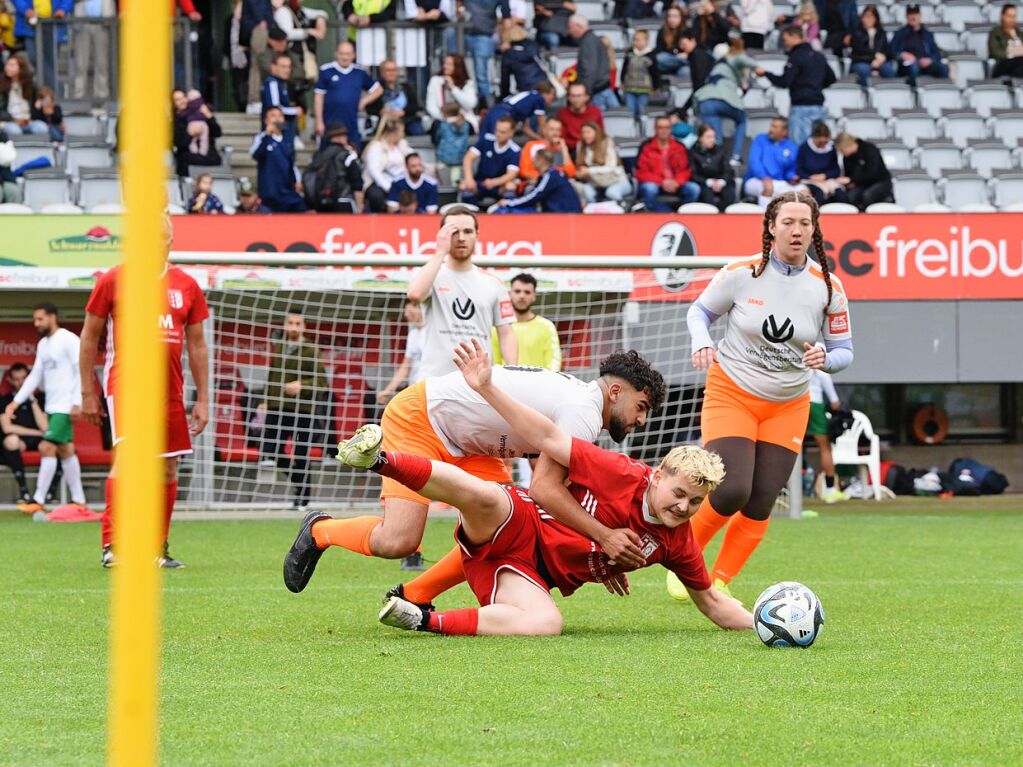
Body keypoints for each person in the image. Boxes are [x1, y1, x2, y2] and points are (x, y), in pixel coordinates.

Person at [332, 340, 750, 637]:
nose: (684, 505)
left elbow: (712, 603)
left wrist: (764, 622)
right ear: (657, 474)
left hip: (528, 566)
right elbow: (546, 477)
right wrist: (486, 386)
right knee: (473, 502)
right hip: (445, 437)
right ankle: (378, 459)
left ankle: (418, 614)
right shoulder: (610, 454)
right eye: (641, 408)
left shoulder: (676, 542)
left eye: (696, 501)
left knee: (547, 624)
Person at [285, 341, 667, 611]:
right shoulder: (584, 412)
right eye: (642, 406)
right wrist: (604, 538)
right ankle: (321, 529)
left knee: (501, 531)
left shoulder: (582, 404)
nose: (641, 420)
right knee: (398, 540)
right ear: (616, 391)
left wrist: (603, 550)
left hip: (472, 446)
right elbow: (546, 490)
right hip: (421, 418)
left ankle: (415, 594)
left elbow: (559, 490)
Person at [665, 190, 853, 604]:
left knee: (763, 496)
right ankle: (684, 560)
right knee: (732, 489)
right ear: (771, 227)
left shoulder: (828, 287)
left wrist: (827, 357)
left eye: (805, 223)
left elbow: (845, 350)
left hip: (788, 403)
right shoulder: (741, 272)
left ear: (814, 230)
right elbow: (699, 312)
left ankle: (719, 580)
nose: (797, 230)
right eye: (788, 222)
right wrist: (702, 341)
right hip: (732, 391)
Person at [80, 218, 210, 569]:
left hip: (170, 389)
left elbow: (197, 345)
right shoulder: (113, 279)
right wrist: (87, 393)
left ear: (170, 240)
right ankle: (114, 544)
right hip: (125, 385)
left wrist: (203, 399)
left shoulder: (186, 285)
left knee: (168, 467)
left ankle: (157, 548)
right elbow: (89, 336)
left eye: (160, 237)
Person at [2, 305, 88, 514]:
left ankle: (38, 499)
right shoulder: (43, 345)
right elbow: (35, 377)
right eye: (35, 320)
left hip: (66, 405)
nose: (36, 324)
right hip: (52, 406)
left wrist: (78, 402)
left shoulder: (68, 339)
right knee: (66, 450)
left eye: (40, 319)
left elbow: (81, 369)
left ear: (52, 317)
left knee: (46, 447)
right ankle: (79, 502)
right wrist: (15, 402)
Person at [259, 310, 327, 509]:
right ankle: (300, 483)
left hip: (302, 410)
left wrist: (302, 385)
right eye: (290, 323)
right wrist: (265, 399)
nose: (294, 327)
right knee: (270, 449)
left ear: (304, 326)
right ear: (285, 324)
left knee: (300, 452)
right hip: (277, 407)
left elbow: (322, 383)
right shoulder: (280, 347)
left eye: (298, 323)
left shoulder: (311, 350)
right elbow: (272, 376)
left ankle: (303, 497)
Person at [757, 25, 834, 148]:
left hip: (801, 107)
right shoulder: (819, 56)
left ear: (795, 36)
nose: (785, 43)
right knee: (816, 148)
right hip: (819, 107)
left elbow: (784, 82)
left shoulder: (796, 56)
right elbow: (831, 78)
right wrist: (815, 86)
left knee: (798, 148)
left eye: (786, 39)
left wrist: (766, 73)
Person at [694, 34, 757, 166]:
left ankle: (718, 159)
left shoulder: (714, 67)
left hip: (705, 102)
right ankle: (736, 156)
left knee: (716, 137)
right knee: (741, 120)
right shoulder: (730, 59)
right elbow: (742, 59)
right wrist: (757, 67)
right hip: (724, 99)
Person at [313, 40, 382, 152]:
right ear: (336, 54)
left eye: (348, 54)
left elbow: (378, 90)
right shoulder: (326, 70)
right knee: (327, 154)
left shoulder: (359, 72)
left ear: (353, 55)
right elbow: (318, 96)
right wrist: (319, 121)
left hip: (351, 122)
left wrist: (364, 101)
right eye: (342, 53)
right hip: (330, 121)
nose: (345, 57)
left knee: (353, 152)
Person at [1, 363, 48, 508]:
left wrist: (32, 399)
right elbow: (7, 427)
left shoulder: (41, 398)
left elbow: (45, 427)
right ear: (10, 380)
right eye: (16, 379)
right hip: (20, 440)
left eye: (23, 379)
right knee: (12, 441)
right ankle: (24, 490)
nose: (20, 383)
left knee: (52, 445)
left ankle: (47, 493)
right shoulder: (5, 399)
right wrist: (36, 432)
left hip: (38, 441)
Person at [635, 115, 701, 212]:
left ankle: (680, 214)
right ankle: (667, 214)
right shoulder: (646, 147)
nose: (664, 131)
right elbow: (641, 172)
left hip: (676, 184)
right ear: (655, 129)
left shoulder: (679, 147)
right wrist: (662, 182)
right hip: (655, 183)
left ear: (671, 129)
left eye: (667, 128)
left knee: (694, 189)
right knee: (649, 189)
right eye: (660, 128)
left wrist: (677, 182)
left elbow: (686, 170)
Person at [251, 105, 308, 212]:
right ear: (266, 120)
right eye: (273, 116)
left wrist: (298, 180)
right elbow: (255, 155)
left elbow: (291, 163)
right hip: (270, 193)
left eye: (280, 116)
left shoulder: (287, 140)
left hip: (287, 191)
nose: (277, 118)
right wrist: (267, 136)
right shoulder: (261, 137)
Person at [460, 115, 521, 208]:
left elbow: (511, 174)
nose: (498, 134)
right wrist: (469, 178)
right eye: (497, 130)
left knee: (510, 186)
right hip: (480, 181)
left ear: (511, 133)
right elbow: (468, 157)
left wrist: (494, 182)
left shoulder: (514, 150)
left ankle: (505, 214)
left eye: (503, 132)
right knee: (464, 185)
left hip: (499, 185)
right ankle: (471, 211)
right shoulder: (487, 139)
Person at [302, 123, 364, 213]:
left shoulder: (318, 156)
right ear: (340, 137)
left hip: (321, 203)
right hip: (344, 201)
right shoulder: (347, 156)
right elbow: (357, 183)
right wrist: (359, 206)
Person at [742, 116, 804, 207]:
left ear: (784, 131)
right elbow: (754, 162)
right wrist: (763, 176)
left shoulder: (791, 146)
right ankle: (765, 219)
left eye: (775, 127)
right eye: (771, 126)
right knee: (769, 187)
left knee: (804, 191)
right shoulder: (760, 140)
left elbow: (791, 168)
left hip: (780, 181)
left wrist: (792, 177)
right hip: (756, 180)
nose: (771, 129)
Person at [497, 149, 582, 212]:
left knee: (508, 210)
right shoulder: (552, 174)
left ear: (541, 161)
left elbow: (534, 196)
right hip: (561, 214)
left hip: (564, 216)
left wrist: (508, 203)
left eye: (535, 158)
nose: (532, 161)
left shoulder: (550, 176)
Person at [807, 369, 846, 503]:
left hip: (795, 402)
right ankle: (830, 490)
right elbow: (835, 402)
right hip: (815, 404)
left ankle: (780, 491)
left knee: (788, 444)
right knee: (825, 447)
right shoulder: (819, 365)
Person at [376, 300, 425, 407]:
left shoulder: (435, 332)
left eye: (409, 310)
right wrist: (388, 390)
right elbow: (405, 367)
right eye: (405, 311)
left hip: (431, 390)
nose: (406, 314)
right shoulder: (413, 334)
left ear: (421, 309)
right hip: (415, 390)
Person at [888, 5, 949, 85]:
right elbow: (891, 51)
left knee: (943, 68)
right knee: (913, 67)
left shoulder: (927, 34)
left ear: (920, 15)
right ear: (906, 16)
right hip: (907, 65)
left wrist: (930, 60)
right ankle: (914, 95)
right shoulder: (899, 34)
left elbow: (936, 53)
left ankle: (940, 94)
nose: (913, 17)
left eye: (915, 14)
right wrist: (902, 55)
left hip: (925, 64)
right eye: (910, 14)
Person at [566, 15, 617, 111]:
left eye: (570, 27)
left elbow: (589, 70)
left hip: (597, 92)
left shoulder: (587, 43)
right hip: (604, 88)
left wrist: (586, 94)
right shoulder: (594, 39)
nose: (569, 31)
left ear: (579, 26)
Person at [573, 120, 631, 204]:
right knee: (586, 193)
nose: (585, 135)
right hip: (595, 182)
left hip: (616, 180)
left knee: (611, 193)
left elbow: (611, 167)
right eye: (583, 132)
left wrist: (589, 171)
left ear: (596, 132)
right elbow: (580, 166)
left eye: (588, 132)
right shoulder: (580, 145)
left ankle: (622, 212)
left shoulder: (607, 142)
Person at [362, 119, 412, 213]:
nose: (403, 134)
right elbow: (374, 171)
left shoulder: (402, 145)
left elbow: (412, 157)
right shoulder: (376, 147)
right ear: (394, 132)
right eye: (401, 131)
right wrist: (388, 187)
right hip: (379, 183)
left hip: (400, 181)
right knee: (376, 196)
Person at [833, 131, 892, 211]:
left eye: (842, 150)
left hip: (880, 181)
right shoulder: (846, 158)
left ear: (849, 145)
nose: (841, 153)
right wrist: (849, 182)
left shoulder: (869, 149)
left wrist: (852, 180)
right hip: (861, 184)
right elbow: (849, 174)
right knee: (850, 196)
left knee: (868, 196)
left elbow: (873, 172)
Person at [478, 81, 556, 141]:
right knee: (495, 144)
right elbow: (542, 125)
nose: (553, 99)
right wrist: (548, 139)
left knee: (484, 143)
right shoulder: (539, 99)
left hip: (493, 112)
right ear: (547, 93)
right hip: (503, 115)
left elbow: (525, 128)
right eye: (553, 96)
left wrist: (539, 138)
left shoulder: (528, 97)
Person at [172, 88, 223, 178]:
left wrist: (209, 117)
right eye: (177, 100)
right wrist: (190, 134)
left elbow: (217, 133)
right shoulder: (177, 120)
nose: (182, 101)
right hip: (188, 155)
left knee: (215, 159)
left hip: (208, 154)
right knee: (183, 159)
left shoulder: (200, 113)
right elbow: (178, 143)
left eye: (183, 97)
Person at [463, 0, 506, 105]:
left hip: (484, 35)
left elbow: (505, 14)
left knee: (481, 72)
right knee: (462, 69)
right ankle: (472, 102)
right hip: (464, 32)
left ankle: (487, 105)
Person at [367, 58, 426, 136]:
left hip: (405, 120)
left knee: (417, 130)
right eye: (388, 70)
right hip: (386, 121)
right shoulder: (377, 88)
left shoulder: (405, 87)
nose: (391, 73)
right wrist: (381, 111)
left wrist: (403, 112)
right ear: (382, 72)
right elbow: (369, 108)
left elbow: (415, 106)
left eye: (394, 70)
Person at [425, 54, 479, 134]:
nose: (445, 66)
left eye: (449, 64)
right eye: (445, 63)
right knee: (439, 127)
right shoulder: (435, 80)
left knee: (465, 127)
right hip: (442, 118)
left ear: (457, 67)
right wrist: (445, 118)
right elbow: (431, 106)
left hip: (462, 119)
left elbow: (470, 104)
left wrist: (453, 89)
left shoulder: (467, 83)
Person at [689, 124, 736, 211]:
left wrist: (721, 181)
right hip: (703, 183)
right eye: (708, 137)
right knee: (707, 196)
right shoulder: (693, 152)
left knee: (729, 195)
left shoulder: (721, 150)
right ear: (700, 138)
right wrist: (709, 182)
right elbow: (693, 174)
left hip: (721, 181)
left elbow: (728, 170)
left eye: (713, 136)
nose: (712, 140)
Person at [796, 122, 843, 206]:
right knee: (819, 194)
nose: (822, 145)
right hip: (809, 180)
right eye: (819, 143)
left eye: (825, 142)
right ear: (814, 138)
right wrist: (810, 177)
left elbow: (836, 170)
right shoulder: (804, 148)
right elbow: (799, 169)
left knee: (840, 194)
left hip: (826, 179)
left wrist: (825, 176)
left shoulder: (831, 148)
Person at [0, 53, 47, 136]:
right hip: (8, 121)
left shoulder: (30, 85)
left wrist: (39, 104)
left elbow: (42, 103)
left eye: (12, 65)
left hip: (27, 121)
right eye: (7, 64)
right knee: (14, 131)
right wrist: (14, 119)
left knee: (41, 128)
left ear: (21, 68)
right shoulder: (2, 85)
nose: (7, 67)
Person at [518, 116, 575, 183]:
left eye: (558, 130)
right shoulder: (532, 145)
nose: (555, 133)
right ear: (545, 130)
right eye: (552, 129)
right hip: (536, 182)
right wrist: (546, 178)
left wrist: (564, 149)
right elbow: (524, 171)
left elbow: (570, 173)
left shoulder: (562, 149)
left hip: (557, 184)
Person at [262, 51, 302, 145]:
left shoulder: (281, 83)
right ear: (273, 67)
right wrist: (294, 111)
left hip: (283, 133)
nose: (287, 70)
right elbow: (275, 109)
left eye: (289, 67)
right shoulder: (272, 83)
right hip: (276, 134)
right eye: (283, 67)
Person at [242, 0, 275, 112]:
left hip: (264, 28)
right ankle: (254, 100)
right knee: (257, 65)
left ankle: (259, 99)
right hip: (259, 28)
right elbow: (257, 9)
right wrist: (262, 21)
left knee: (264, 65)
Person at [848, 5, 891, 89]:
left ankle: (887, 94)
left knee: (889, 70)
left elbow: (886, 50)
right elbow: (858, 51)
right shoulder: (856, 33)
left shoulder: (881, 33)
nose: (868, 19)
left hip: (879, 62)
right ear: (862, 18)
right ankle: (866, 93)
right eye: (866, 16)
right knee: (864, 70)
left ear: (876, 18)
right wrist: (874, 57)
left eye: (871, 16)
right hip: (861, 61)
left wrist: (882, 59)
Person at [621, 28, 659, 122]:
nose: (636, 42)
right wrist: (622, 81)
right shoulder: (629, 53)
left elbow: (655, 72)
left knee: (641, 111)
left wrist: (655, 87)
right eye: (635, 39)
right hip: (629, 88)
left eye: (639, 39)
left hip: (644, 89)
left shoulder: (651, 55)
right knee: (630, 112)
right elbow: (624, 69)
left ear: (646, 41)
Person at [499, 24, 546, 98]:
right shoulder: (533, 46)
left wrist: (503, 96)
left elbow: (505, 80)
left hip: (525, 88)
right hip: (543, 84)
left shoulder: (509, 55)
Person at [556, 82, 603, 154]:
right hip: (570, 151)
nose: (576, 99)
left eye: (579, 96)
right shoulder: (563, 114)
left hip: (592, 149)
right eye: (573, 96)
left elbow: (600, 134)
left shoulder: (595, 112)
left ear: (586, 97)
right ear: (568, 97)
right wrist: (580, 145)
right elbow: (562, 138)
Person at [436, 101, 470, 184]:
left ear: (446, 114)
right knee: (455, 176)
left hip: (444, 157)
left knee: (438, 170)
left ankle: (439, 185)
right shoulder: (466, 125)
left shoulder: (443, 125)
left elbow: (437, 136)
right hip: (459, 157)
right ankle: (455, 189)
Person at [654, 4, 689, 76]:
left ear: (681, 17)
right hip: (666, 63)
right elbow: (659, 52)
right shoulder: (662, 31)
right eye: (670, 16)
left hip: (681, 65)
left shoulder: (687, 31)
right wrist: (677, 57)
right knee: (660, 58)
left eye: (675, 16)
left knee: (686, 71)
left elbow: (691, 51)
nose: (672, 19)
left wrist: (686, 54)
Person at [990, 4, 1023, 80]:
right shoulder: (996, 32)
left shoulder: (1019, 32)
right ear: (1002, 16)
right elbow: (994, 52)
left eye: (1014, 16)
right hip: (1003, 63)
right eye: (1009, 16)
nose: (1012, 19)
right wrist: (1013, 52)